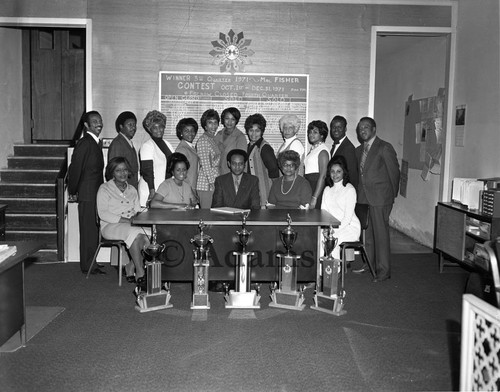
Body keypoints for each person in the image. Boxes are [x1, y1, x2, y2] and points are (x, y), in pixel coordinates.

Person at [353, 117, 400, 282]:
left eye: (366, 127)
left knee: (381, 235)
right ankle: (370, 265)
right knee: (367, 235)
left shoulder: (384, 147)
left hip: (380, 198)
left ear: (374, 129)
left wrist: (391, 197)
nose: (363, 130)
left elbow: (394, 173)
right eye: (360, 128)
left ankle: (383, 271)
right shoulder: (359, 150)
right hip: (364, 198)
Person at [97, 157, 150, 285]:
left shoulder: (132, 189)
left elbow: (137, 211)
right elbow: (102, 213)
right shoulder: (104, 188)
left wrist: (148, 212)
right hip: (110, 226)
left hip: (132, 226)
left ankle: (130, 266)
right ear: (112, 173)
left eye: (125, 170)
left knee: (151, 235)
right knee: (135, 233)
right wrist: (126, 221)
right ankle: (140, 272)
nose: (123, 173)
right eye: (118, 170)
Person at [68, 111, 105, 275]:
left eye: (100, 120)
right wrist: (73, 190)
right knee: (88, 230)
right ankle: (87, 265)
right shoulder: (85, 143)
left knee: (92, 230)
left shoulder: (94, 142)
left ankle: (92, 263)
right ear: (86, 125)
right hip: (87, 194)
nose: (99, 123)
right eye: (94, 121)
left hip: (93, 194)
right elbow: (75, 169)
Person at [321, 156, 361, 259]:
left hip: (349, 227)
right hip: (331, 228)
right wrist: (325, 229)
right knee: (319, 239)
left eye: (338, 171)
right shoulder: (327, 189)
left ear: (344, 172)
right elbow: (323, 213)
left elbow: (347, 218)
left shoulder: (349, 190)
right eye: (332, 171)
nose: (335, 175)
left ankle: (335, 273)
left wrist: (333, 231)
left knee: (332, 241)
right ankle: (321, 272)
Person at [138, 110, 174, 207]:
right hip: (151, 190)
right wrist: (152, 192)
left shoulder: (168, 144)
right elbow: (147, 171)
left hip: (163, 190)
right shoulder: (147, 146)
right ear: (150, 129)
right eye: (155, 127)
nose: (158, 130)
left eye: (161, 126)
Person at [245, 113, 279, 208]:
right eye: (251, 130)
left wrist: (275, 194)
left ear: (262, 131)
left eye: (257, 131)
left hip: (264, 193)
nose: (254, 134)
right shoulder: (248, 146)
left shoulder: (264, 148)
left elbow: (274, 171)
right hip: (251, 191)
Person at [107, 111, 140, 190]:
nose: (133, 128)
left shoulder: (127, 142)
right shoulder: (117, 143)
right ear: (121, 126)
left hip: (130, 189)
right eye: (130, 125)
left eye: (134, 125)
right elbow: (114, 171)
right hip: (122, 190)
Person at [196, 109, 221, 208]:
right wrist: (212, 182)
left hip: (212, 182)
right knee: (206, 215)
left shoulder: (211, 139)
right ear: (205, 125)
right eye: (210, 123)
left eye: (215, 123)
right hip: (206, 185)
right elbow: (206, 164)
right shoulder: (203, 140)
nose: (213, 126)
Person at [304, 120, 330, 209]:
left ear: (322, 135)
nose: (311, 134)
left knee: (314, 216)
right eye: (310, 132)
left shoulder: (323, 151)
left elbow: (323, 176)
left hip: (316, 187)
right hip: (309, 185)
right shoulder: (314, 149)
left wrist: (315, 197)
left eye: (315, 132)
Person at [215, 107, 247, 176]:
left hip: (233, 176)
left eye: (233, 119)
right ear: (223, 119)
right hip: (216, 175)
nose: (229, 122)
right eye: (227, 118)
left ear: (236, 121)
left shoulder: (240, 137)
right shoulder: (218, 134)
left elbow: (242, 161)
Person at [329, 115, 358, 190]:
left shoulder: (349, 148)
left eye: (339, 127)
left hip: (344, 191)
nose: (336, 130)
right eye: (334, 127)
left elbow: (352, 174)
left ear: (345, 129)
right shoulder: (334, 146)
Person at [175, 118, 200, 192]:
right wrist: (190, 191)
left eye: (192, 130)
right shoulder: (182, 149)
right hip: (187, 189)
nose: (190, 133)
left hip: (192, 187)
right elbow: (180, 173)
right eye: (186, 131)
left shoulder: (190, 147)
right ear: (181, 133)